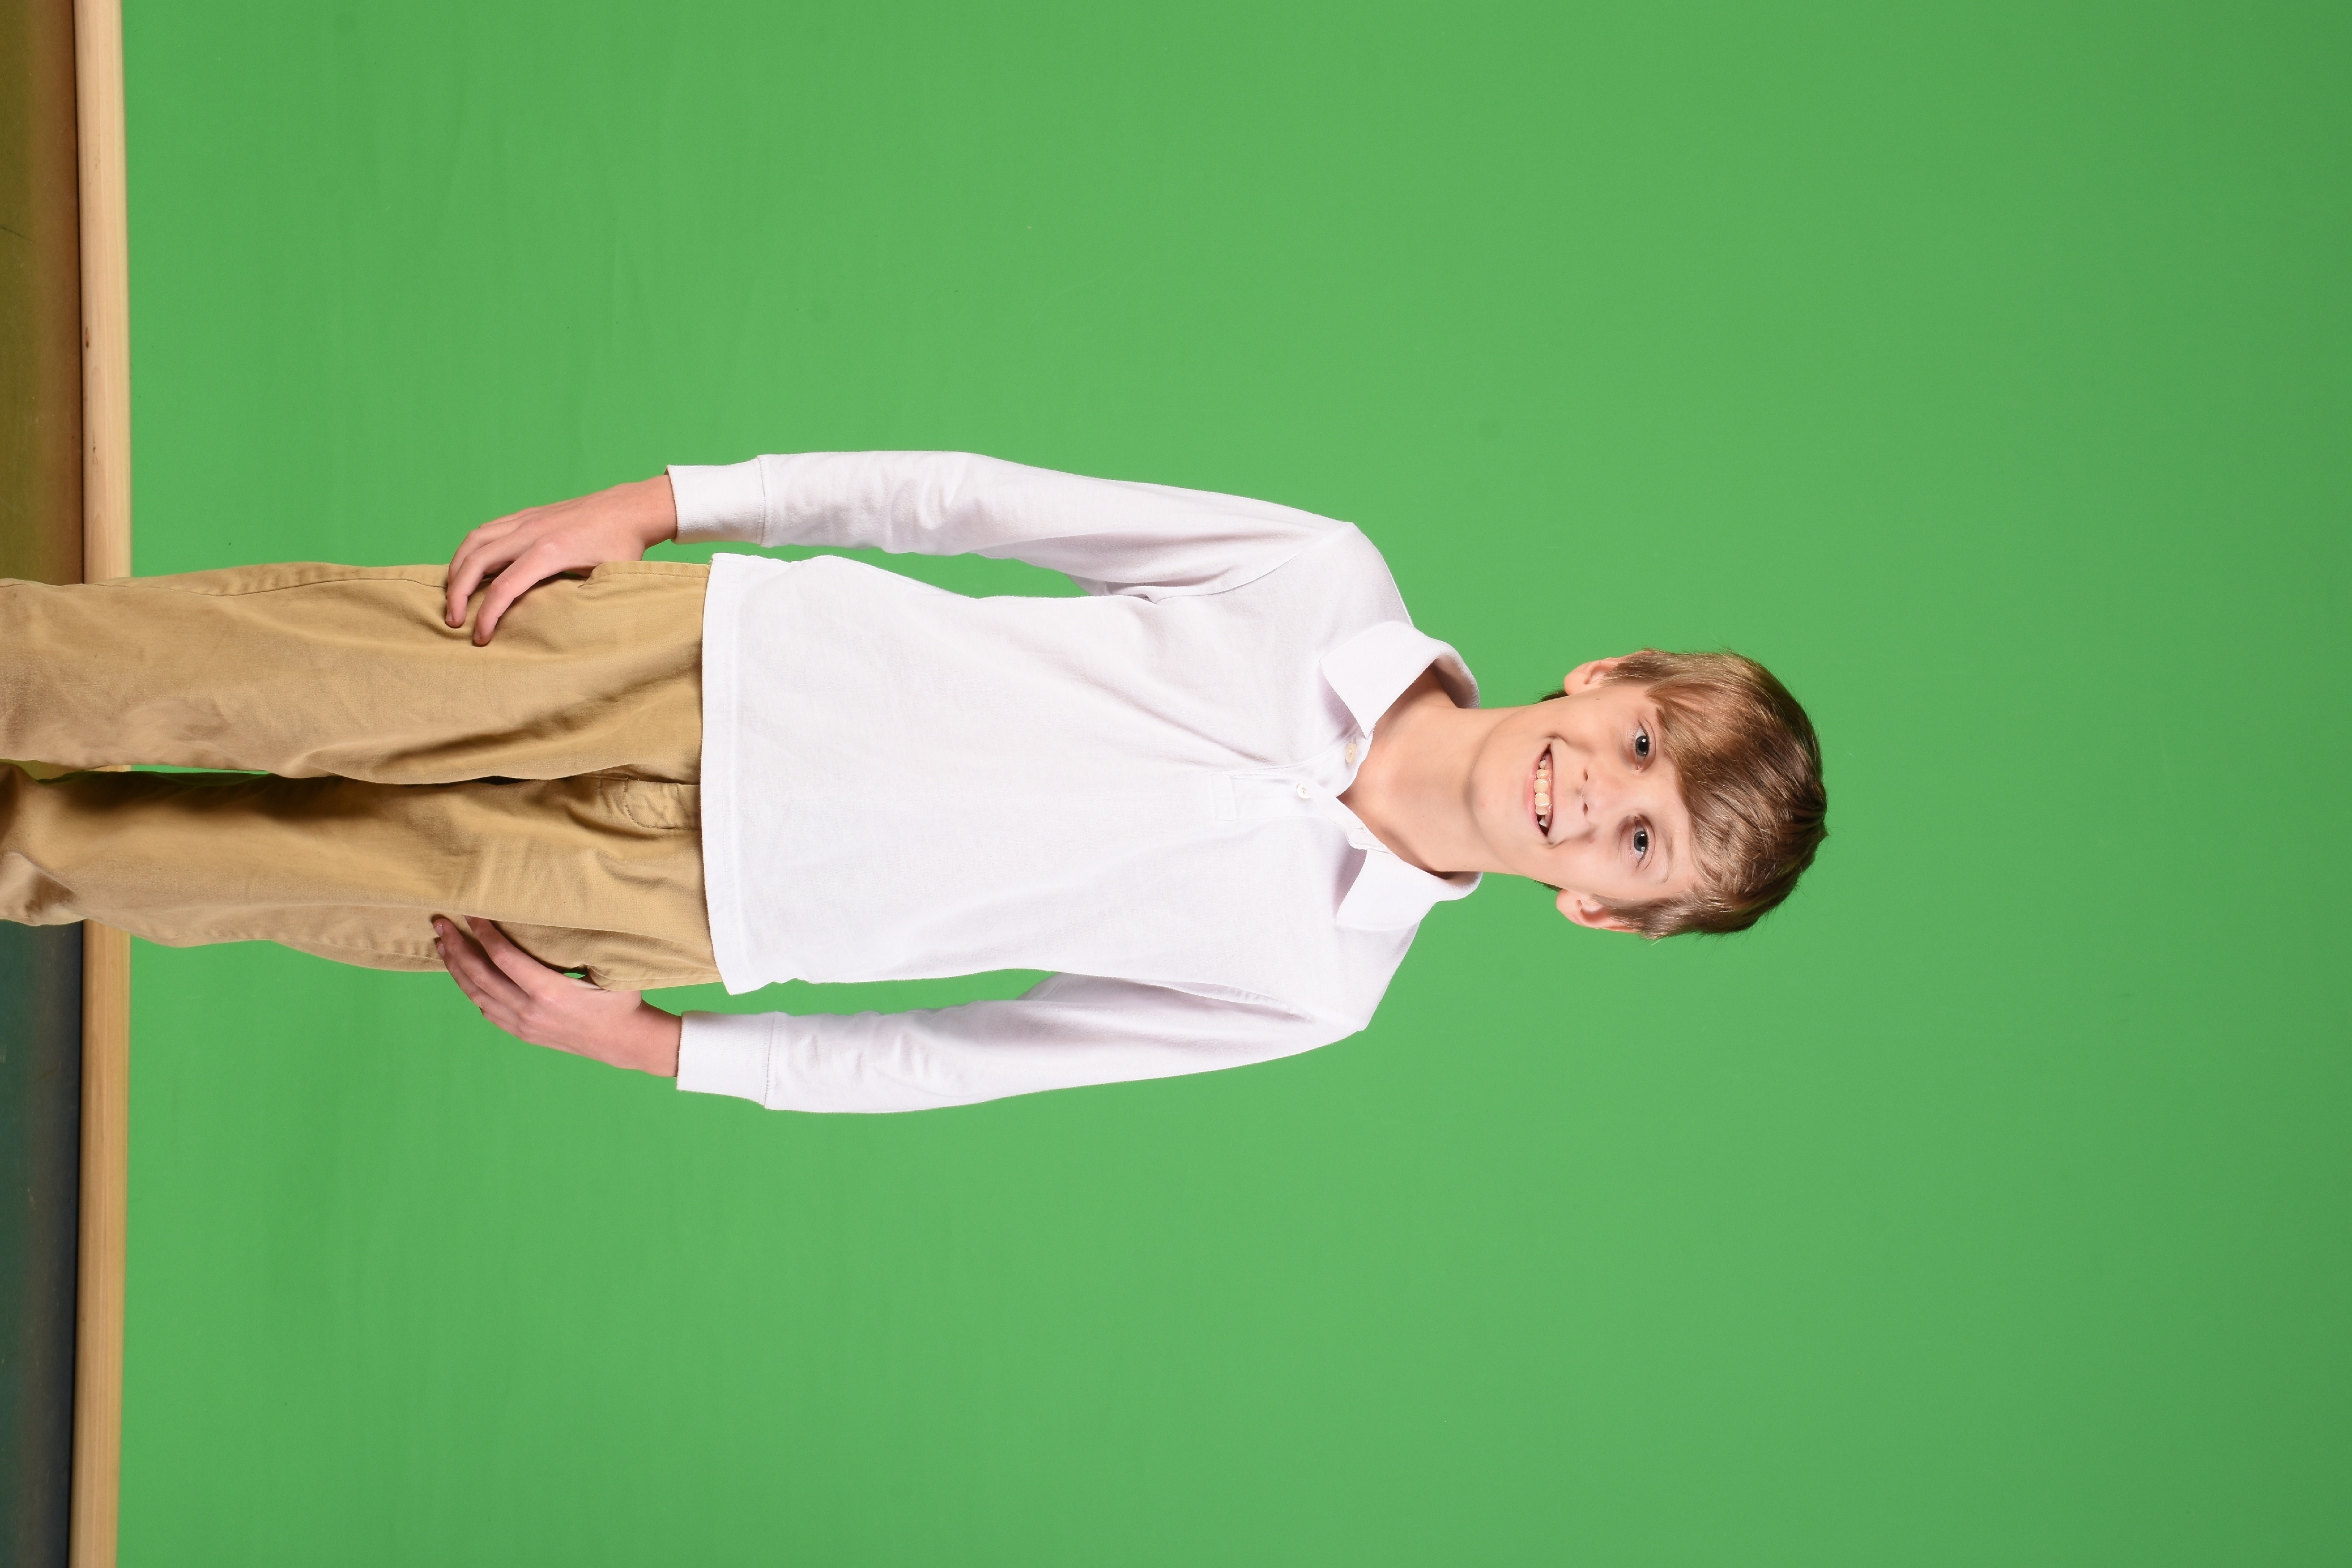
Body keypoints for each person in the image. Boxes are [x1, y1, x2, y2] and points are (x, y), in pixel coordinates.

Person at [0, 452, 1826, 1111]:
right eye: (1641, 746)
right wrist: (664, 504)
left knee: (175, 864)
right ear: (1613, 677)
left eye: (1639, 840)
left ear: (1600, 909)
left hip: (689, 911)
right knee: (208, 677)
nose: (1597, 793)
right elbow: (975, 504)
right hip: (696, 657)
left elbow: (970, 1055)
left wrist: (664, 1051)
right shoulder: (1320, 579)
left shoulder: (1317, 986)